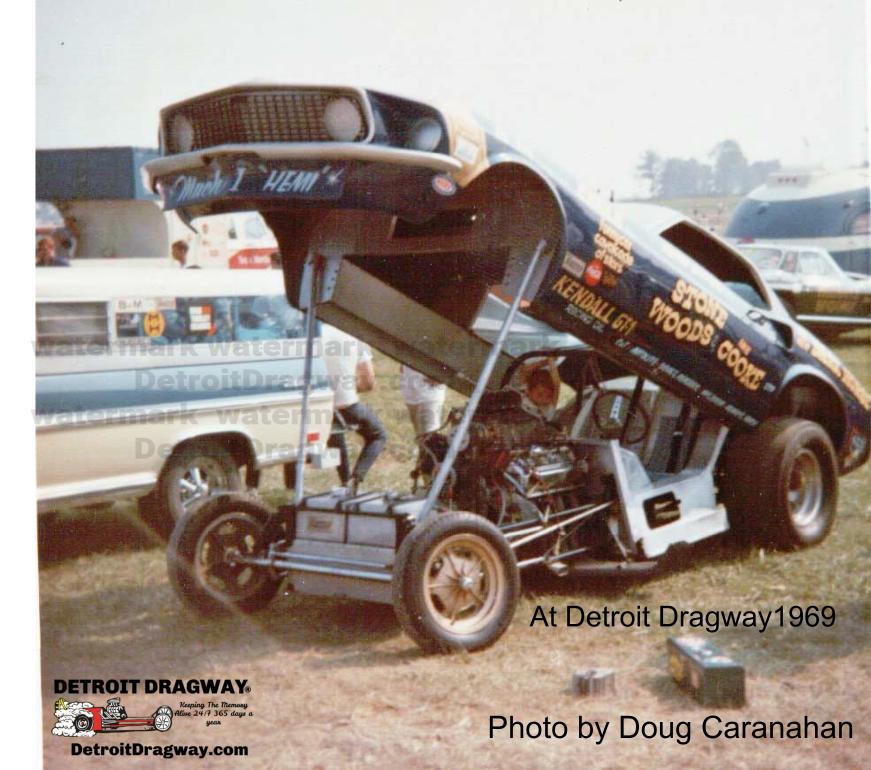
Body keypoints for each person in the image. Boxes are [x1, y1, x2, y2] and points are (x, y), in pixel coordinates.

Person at [284, 324, 387, 493]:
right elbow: (368, 383)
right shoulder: (356, 334)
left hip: (313, 406)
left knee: (333, 427)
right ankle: (355, 478)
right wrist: (349, 389)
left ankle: (293, 484)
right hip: (345, 406)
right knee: (378, 435)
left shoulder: (307, 332)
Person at [400, 365, 446, 436]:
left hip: (430, 389)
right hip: (409, 380)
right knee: (419, 434)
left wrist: (444, 375)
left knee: (429, 434)